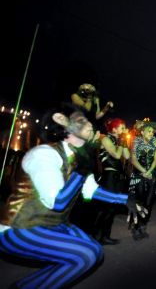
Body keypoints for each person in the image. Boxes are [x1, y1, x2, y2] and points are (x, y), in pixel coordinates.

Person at [0, 103, 146, 288]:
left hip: (54, 224)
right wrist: (82, 169)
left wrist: (125, 199)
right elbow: (58, 202)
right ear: (62, 121)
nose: (91, 125)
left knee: (94, 250)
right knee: (85, 255)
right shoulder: (44, 154)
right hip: (18, 227)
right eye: (82, 120)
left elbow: (91, 190)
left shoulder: (77, 158)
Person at [92, 118, 130, 245]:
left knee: (112, 209)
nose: (124, 130)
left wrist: (124, 141)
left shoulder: (118, 140)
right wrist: (121, 143)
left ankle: (105, 237)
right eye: (122, 128)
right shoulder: (105, 139)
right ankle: (96, 237)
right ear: (114, 129)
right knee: (105, 209)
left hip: (117, 178)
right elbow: (116, 155)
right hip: (109, 177)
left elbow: (127, 156)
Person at [128, 120, 156, 240]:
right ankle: (135, 227)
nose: (151, 133)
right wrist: (143, 172)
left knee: (149, 202)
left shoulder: (155, 142)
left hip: (152, 174)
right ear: (142, 132)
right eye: (149, 131)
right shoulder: (136, 141)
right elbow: (133, 159)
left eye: (152, 131)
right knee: (139, 202)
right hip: (139, 174)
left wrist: (149, 171)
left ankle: (143, 226)